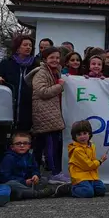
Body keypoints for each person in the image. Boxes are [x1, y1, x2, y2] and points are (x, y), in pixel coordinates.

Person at [26, 47, 68, 183]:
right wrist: (59, 86)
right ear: (45, 59)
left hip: (51, 113)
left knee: (44, 145)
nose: (55, 60)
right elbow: (42, 92)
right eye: (52, 58)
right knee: (51, 145)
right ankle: (54, 173)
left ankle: (38, 173)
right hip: (45, 114)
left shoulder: (55, 72)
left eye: (57, 57)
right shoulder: (41, 73)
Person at [0, 35, 39, 132]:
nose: (28, 47)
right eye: (25, 45)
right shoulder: (7, 63)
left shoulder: (36, 65)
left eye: (30, 45)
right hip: (8, 105)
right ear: (18, 48)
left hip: (28, 107)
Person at [0, 132, 63, 200]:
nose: (22, 145)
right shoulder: (9, 158)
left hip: (29, 182)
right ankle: (35, 193)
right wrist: (24, 181)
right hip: (17, 182)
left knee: (43, 179)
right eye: (18, 143)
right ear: (12, 147)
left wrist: (35, 176)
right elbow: (5, 177)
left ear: (29, 146)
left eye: (25, 143)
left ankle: (30, 192)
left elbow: (35, 169)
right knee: (10, 184)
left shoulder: (30, 156)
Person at [68, 120, 107, 198]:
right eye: (79, 134)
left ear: (89, 133)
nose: (82, 137)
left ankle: (88, 187)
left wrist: (98, 161)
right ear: (74, 136)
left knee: (101, 190)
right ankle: (72, 189)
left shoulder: (92, 145)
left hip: (92, 176)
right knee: (88, 193)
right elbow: (88, 165)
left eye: (85, 133)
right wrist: (100, 161)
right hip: (80, 177)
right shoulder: (77, 150)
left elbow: (92, 161)